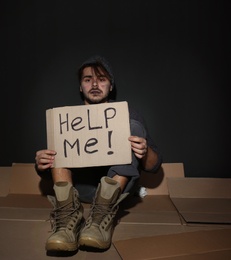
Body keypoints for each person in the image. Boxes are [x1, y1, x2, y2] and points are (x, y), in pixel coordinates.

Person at [35, 55, 162, 252]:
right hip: (79, 190)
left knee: (132, 126)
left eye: (101, 79)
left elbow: (154, 166)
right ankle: (68, 219)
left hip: (115, 192)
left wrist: (144, 151)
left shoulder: (127, 113)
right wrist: (41, 163)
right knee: (61, 133)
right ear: (80, 87)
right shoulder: (69, 119)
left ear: (111, 86)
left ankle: (100, 219)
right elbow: (50, 167)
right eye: (87, 80)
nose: (94, 84)